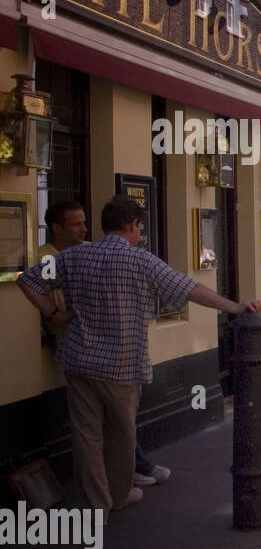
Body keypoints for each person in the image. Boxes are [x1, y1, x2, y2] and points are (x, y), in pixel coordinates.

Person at [17, 196, 261, 518]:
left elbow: (26, 280)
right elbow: (190, 289)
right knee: (122, 437)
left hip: (78, 360)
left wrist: (53, 312)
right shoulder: (142, 261)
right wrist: (234, 307)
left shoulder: (73, 257)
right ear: (133, 226)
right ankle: (119, 495)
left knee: (87, 436)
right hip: (121, 363)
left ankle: (96, 506)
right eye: (139, 228)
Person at [37, 200, 171, 489]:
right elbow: (34, 284)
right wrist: (54, 313)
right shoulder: (50, 257)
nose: (83, 229)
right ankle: (121, 486)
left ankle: (105, 497)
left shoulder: (82, 254)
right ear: (56, 228)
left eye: (85, 222)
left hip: (87, 354)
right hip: (92, 353)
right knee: (115, 429)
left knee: (99, 431)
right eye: (75, 224)